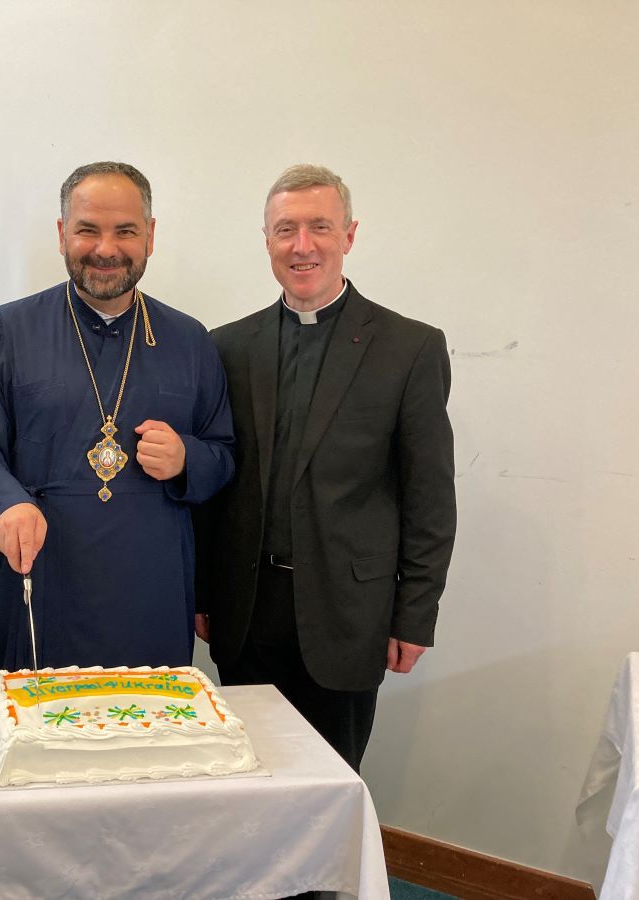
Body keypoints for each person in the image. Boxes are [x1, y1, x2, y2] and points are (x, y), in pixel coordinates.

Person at [194, 164, 456, 772]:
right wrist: (204, 592)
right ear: (266, 240)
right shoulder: (227, 346)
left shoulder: (409, 348)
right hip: (246, 612)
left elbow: (429, 496)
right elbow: (218, 486)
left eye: (320, 227)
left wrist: (416, 613)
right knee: (244, 776)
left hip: (348, 614)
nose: (302, 245)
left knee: (329, 781)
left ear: (349, 235)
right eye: (286, 229)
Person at [0, 161, 234, 673]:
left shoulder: (190, 340)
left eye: (125, 231)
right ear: (62, 233)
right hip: (43, 573)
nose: (105, 249)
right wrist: (5, 504)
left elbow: (224, 454)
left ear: (150, 236)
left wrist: (187, 458)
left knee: (147, 721)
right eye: (87, 230)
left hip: (151, 589)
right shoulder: (9, 329)